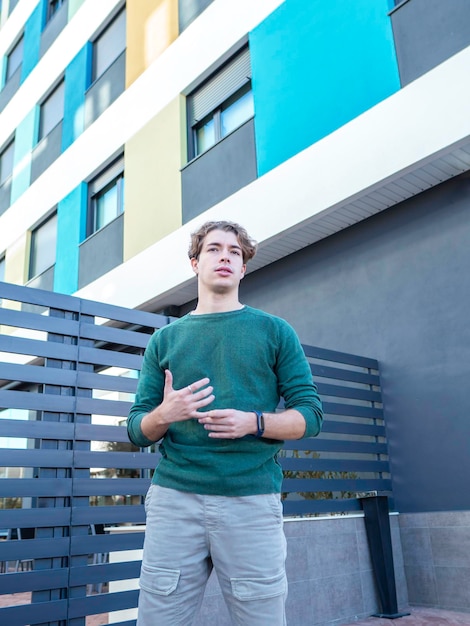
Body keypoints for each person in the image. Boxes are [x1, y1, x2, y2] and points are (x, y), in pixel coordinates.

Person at [127, 220, 323, 625]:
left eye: (235, 252)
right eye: (215, 249)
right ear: (195, 263)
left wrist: (254, 422)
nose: (225, 257)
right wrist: (165, 414)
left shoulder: (274, 331)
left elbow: (310, 415)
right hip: (174, 501)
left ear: (243, 268)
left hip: (251, 501)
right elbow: (135, 429)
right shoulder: (163, 341)